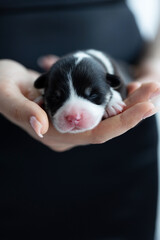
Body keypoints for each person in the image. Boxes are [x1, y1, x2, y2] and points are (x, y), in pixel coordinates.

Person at [0, 0, 160, 239]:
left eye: (94, 96)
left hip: (122, 151)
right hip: (10, 146)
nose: (74, 115)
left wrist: (154, 66)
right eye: (57, 98)